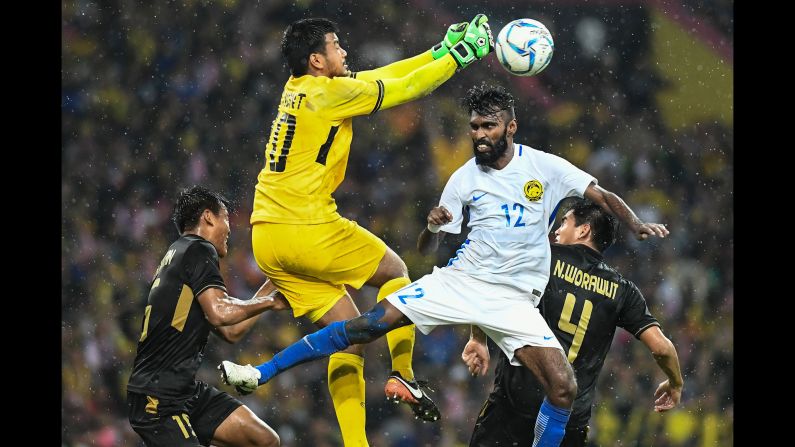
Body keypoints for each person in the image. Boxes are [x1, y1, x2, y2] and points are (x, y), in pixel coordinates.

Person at [219, 84, 668, 447]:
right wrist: (431, 227)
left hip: (513, 301)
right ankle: (260, 372)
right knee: (370, 324)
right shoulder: (464, 177)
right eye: (474, 127)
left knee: (564, 388)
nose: (479, 136)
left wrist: (635, 222)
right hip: (461, 280)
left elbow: (600, 195)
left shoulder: (545, 168)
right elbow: (432, 241)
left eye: (488, 126)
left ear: (511, 126)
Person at [242, 14, 494, 444]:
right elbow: (405, 89)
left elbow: (382, 75)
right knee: (396, 272)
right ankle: (404, 375)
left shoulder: (299, 90)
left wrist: (437, 50)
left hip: (266, 235)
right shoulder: (328, 93)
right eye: (336, 45)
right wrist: (459, 58)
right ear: (317, 60)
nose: (344, 51)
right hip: (307, 224)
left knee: (349, 337)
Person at [464, 199, 684, 447]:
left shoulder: (542, 258)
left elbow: (487, 282)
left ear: (584, 230)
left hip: (513, 409)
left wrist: (477, 338)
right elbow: (662, 348)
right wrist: (675, 383)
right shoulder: (624, 291)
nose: (557, 230)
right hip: (569, 421)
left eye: (564, 222)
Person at [126, 186, 289, 447]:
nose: (229, 228)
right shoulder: (198, 249)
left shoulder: (179, 253)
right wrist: (269, 301)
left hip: (183, 391)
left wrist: (274, 284)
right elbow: (219, 313)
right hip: (157, 399)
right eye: (226, 218)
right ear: (208, 217)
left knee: (263, 440)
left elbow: (230, 330)